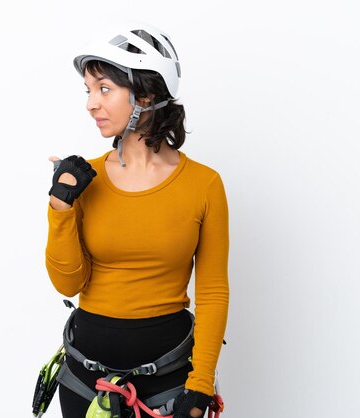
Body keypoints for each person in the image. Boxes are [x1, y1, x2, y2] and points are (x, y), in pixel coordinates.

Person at [45, 22, 229, 418]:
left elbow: (213, 290)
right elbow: (68, 282)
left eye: (104, 89)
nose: (91, 104)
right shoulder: (82, 178)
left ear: (146, 95)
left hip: (170, 385)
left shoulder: (204, 184)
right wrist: (60, 208)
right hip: (85, 383)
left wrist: (200, 387)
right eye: (89, 91)